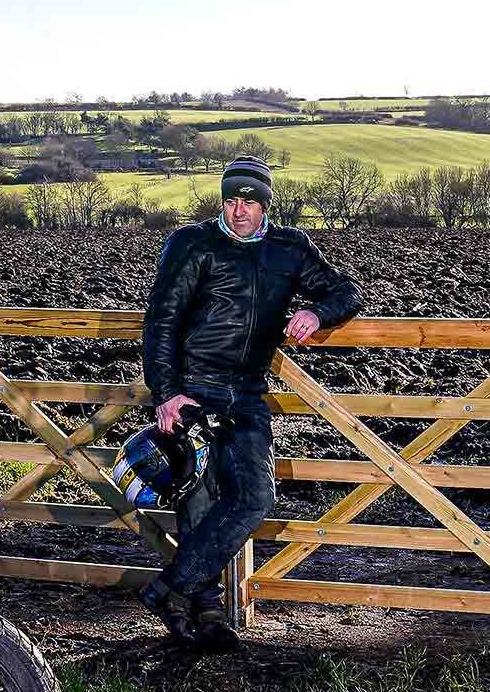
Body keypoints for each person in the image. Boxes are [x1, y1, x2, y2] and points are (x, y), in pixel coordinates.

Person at [136, 155, 363, 649]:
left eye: (250, 201)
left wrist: (317, 313)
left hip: (248, 391)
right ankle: (207, 612)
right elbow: (162, 321)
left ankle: (171, 589)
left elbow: (347, 292)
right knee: (197, 498)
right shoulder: (192, 242)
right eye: (231, 200)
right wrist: (166, 393)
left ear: (266, 205)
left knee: (254, 497)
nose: (239, 210)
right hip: (194, 385)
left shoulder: (290, 247)